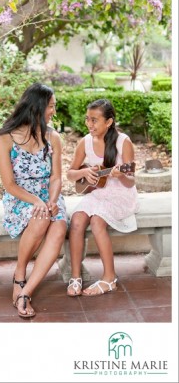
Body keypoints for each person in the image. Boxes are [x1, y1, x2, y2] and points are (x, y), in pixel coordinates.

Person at [0, 83, 67, 318]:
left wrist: (52, 200)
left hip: (49, 195)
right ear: (37, 107)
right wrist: (37, 202)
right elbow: (9, 185)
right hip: (21, 197)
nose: (53, 111)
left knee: (59, 225)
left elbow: (56, 177)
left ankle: (26, 292)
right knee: (41, 217)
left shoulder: (53, 137)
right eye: (51, 107)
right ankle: (20, 274)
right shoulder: (5, 139)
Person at [65, 98, 138, 297]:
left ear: (109, 122)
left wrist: (122, 174)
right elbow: (70, 174)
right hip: (98, 192)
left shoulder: (124, 142)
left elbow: (131, 181)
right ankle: (76, 276)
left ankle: (109, 278)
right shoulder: (85, 142)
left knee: (97, 220)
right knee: (77, 220)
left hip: (121, 194)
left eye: (95, 120)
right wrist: (85, 173)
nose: (89, 124)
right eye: (87, 119)